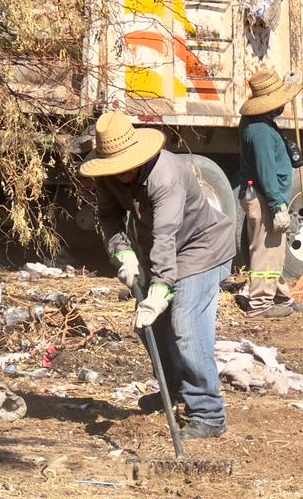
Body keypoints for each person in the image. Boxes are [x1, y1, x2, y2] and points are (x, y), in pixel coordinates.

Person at [80, 112, 234, 440]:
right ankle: (175, 393)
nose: (119, 175)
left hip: (201, 249)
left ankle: (208, 412)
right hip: (160, 250)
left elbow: (166, 234)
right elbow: (109, 217)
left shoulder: (167, 175)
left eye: (123, 167)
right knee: (150, 325)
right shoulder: (110, 173)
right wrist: (121, 252)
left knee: (186, 326)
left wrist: (161, 289)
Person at [237, 67, 303, 318]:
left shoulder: (262, 124)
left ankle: (280, 297)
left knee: (273, 249)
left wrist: (287, 149)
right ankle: (259, 305)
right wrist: (278, 205)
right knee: (265, 249)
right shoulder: (260, 130)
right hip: (263, 197)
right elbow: (266, 170)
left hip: (262, 195)